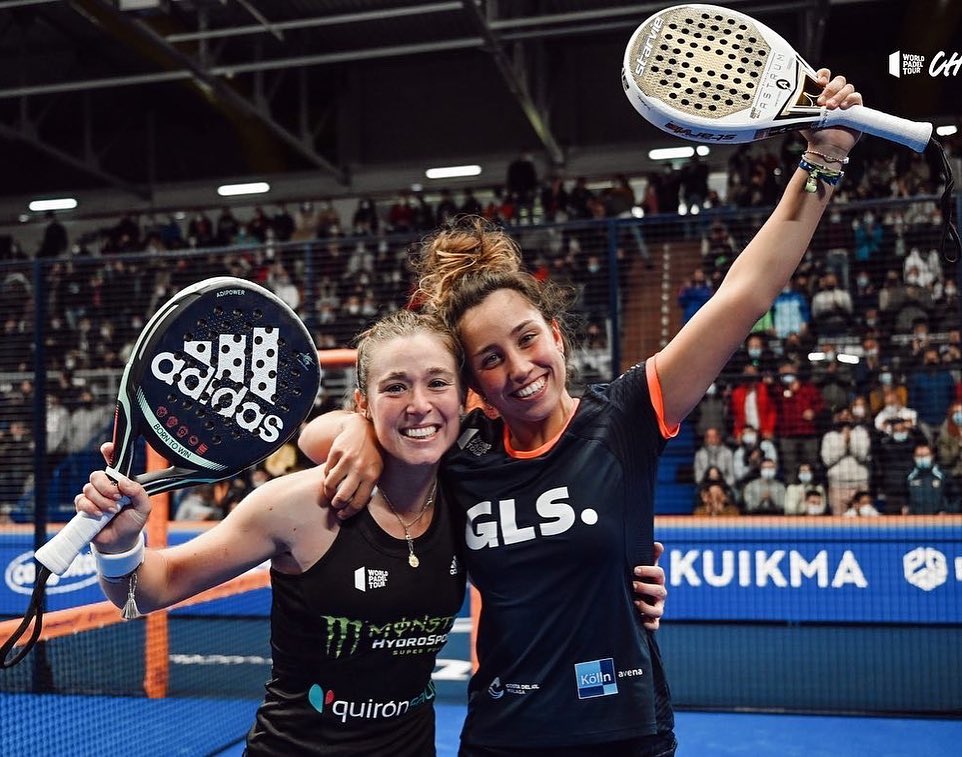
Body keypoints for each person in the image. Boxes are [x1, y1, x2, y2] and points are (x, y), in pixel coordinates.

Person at [303, 70, 865, 756]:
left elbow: (745, 293)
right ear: (474, 383)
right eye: (490, 359)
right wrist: (360, 430)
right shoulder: (461, 450)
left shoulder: (627, 415)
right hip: (503, 738)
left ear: (557, 336)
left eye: (527, 339)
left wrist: (824, 157)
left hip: (624, 732)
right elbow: (313, 437)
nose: (519, 367)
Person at [75, 309, 667, 756]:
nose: (418, 405)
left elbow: (549, 552)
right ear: (363, 402)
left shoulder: (468, 498)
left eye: (437, 383)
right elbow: (146, 590)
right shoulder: (299, 505)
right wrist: (120, 544)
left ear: (463, 402)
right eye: (395, 387)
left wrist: (622, 584)